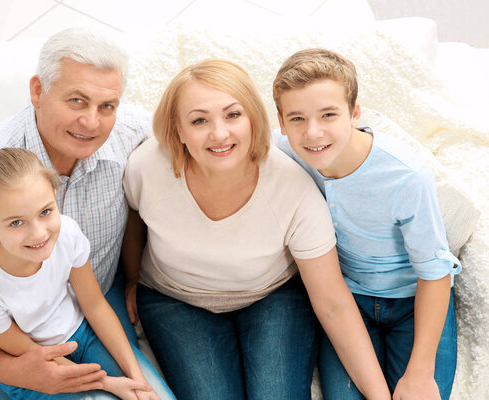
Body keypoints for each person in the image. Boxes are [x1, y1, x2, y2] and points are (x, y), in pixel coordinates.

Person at [0, 27, 173, 399]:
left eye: (107, 106)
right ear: (37, 91)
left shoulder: (131, 134)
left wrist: (137, 276)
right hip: (6, 339)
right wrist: (12, 368)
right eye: (76, 101)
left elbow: (204, 140)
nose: (91, 122)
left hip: (91, 306)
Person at [122, 58, 391, 400]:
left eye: (233, 115)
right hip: (174, 298)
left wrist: (379, 396)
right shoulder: (148, 166)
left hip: (272, 296)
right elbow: (133, 216)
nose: (219, 133)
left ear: (253, 118)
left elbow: (333, 303)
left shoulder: (293, 189)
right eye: (199, 120)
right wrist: (132, 278)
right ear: (178, 129)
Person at [272, 48, 460, 400]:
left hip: (412, 300)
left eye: (328, 114)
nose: (313, 133)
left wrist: (419, 371)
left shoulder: (405, 176)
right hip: (348, 300)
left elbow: (435, 272)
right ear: (281, 122)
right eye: (296, 118)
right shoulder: (280, 152)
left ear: (355, 113)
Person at [0, 148, 164, 400]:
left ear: (55, 196)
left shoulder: (67, 233)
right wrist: (110, 385)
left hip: (82, 336)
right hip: (33, 362)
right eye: (16, 223)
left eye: (45, 212)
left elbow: (95, 305)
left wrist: (137, 379)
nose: (39, 234)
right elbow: (29, 351)